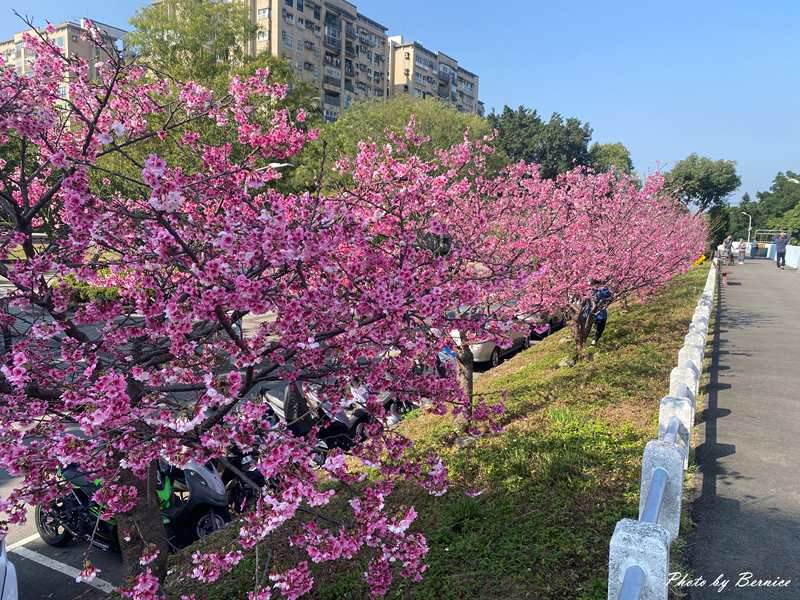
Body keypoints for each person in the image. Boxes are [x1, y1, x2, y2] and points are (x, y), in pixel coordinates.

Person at [589, 281, 613, 346]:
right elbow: (610, 297)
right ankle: (593, 340)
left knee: (599, 327)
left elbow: (610, 297)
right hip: (596, 314)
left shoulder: (602, 290)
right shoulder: (594, 291)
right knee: (598, 327)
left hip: (598, 313)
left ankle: (594, 340)